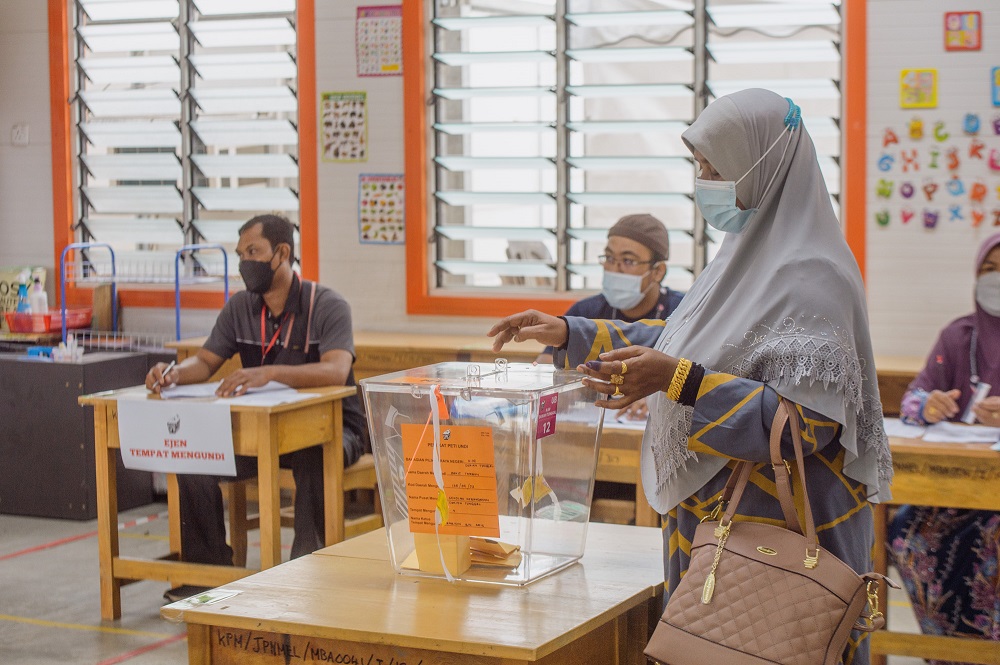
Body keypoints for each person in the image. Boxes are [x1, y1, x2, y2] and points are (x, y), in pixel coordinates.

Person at [489, 89, 892, 665]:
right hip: (717, 533)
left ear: (765, 167)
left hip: (780, 543)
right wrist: (569, 334)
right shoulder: (742, 258)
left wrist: (680, 382)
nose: (705, 181)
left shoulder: (812, 277)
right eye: (699, 167)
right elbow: (684, 341)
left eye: (716, 168)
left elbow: (803, 428)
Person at [145, 214, 368, 599]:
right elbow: (204, 363)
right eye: (240, 254)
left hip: (336, 429)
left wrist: (268, 373)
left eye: (253, 252)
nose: (245, 262)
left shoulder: (327, 304)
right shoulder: (239, 308)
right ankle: (207, 572)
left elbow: (336, 370)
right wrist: (173, 373)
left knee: (314, 454)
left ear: (282, 253)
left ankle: (308, 576)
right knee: (191, 457)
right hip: (264, 433)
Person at [889, 233, 1000, 658]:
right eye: (987, 270)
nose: (994, 279)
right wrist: (930, 405)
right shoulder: (958, 336)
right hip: (953, 488)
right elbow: (913, 398)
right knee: (906, 530)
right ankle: (945, 649)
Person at [537, 213, 683, 422]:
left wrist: (659, 396)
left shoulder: (681, 313)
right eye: (609, 258)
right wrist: (572, 390)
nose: (615, 269)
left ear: (657, 271)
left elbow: (699, 377)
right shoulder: (586, 312)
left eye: (628, 260)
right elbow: (543, 368)